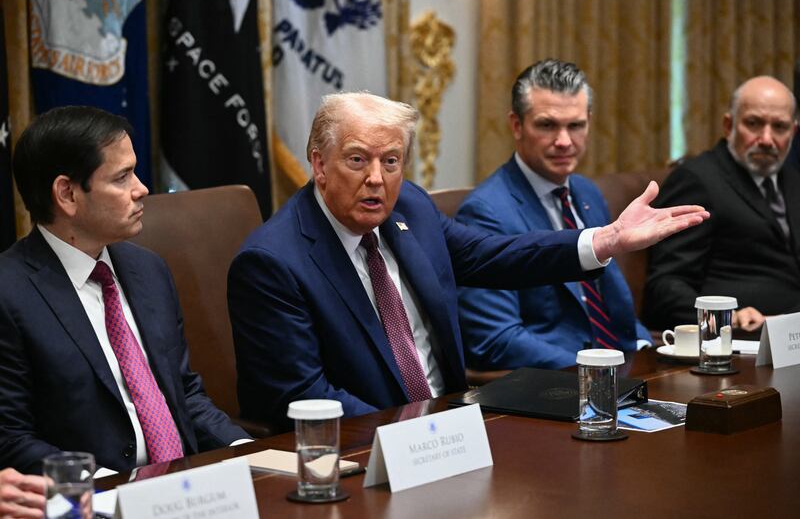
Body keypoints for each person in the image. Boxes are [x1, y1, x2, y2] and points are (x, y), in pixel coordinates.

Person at [228, 92, 708, 429]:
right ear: (318, 163)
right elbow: (305, 398)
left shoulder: (410, 206)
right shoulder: (272, 263)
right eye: (357, 160)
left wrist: (604, 241)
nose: (377, 179)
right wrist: (423, 434)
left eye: (391, 161)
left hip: (454, 427)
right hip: (369, 449)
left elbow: (492, 256)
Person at [0, 106, 250, 475]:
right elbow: (10, 437)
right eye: (122, 177)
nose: (142, 189)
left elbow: (183, 394)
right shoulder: (9, 293)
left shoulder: (148, 269)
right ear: (66, 194)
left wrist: (245, 450)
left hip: (188, 491)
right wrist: (106, 489)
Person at [456, 59, 652, 371]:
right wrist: (595, 372)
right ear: (517, 125)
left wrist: (645, 349)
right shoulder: (486, 211)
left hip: (619, 372)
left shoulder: (586, 192)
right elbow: (494, 338)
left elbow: (613, 305)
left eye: (575, 125)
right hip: (557, 384)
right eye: (547, 125)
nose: (564, 141)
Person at [643, 76, 800, 331]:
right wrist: (727, 318)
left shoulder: (792, 180)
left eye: (779, 127)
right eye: (753, 123)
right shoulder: (697, 180)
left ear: (793, 133)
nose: (767, 139)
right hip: (739, 343)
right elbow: (666, 286)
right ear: (729, 126)